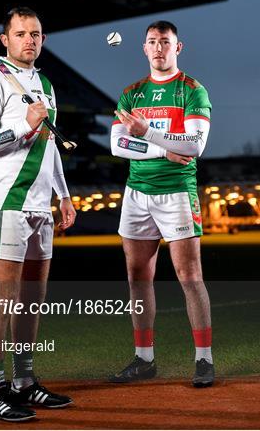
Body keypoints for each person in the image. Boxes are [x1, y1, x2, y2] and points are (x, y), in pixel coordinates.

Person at [0, 6, 76, 421]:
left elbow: (48, 145)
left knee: (32, 297)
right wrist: (22, 128)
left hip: (41, 204)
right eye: (22, 33)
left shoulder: (45, 83)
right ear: (4, 40)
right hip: (5, 200)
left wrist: (63, 195)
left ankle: (24, 382)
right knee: (3, 296)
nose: (30, 39)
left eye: (37, 33)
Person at [109, 20, 214, 388]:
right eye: (152, 42)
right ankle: (144, 358)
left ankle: (203, 360)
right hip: (136, 193)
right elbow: (117, 146)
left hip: (177, 194)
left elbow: (195, 146)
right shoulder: (131, 93)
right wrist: (163, 148)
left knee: (190, 276)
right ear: (144, 48)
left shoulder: (193, 91)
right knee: (138, 277)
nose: (158, 48)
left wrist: (148, 133)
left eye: (165, 42)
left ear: (178, 47)